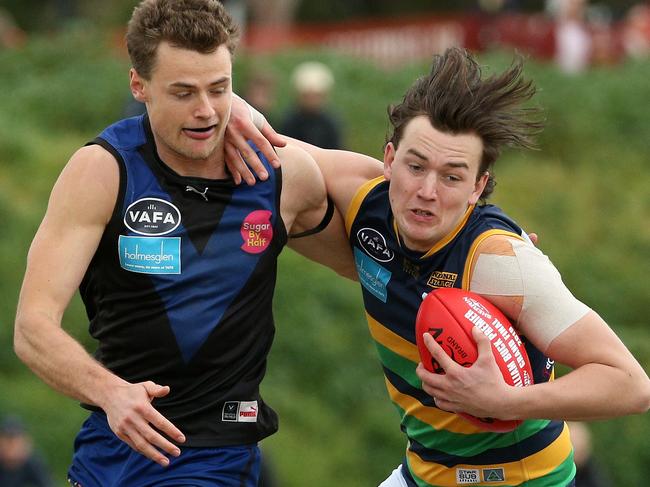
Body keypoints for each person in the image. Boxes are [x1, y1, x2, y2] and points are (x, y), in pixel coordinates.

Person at [230, 46, 650, 486]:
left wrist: (506, 400)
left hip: (519, 477)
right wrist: (224, 99)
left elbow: (630, 384)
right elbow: (268, 140)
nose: (427, 190)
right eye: (416, 166)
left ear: (478, 186)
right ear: (390, 160)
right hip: (426, 469)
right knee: (286, 171)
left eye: (452, 176)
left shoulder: (499, 263)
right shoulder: (363, 196)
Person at [13, 1, 352, 486]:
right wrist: (110, 393)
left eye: (219, 89)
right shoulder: (103, 171)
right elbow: (31, 329)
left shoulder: (279, 173)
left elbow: (373, 252)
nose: (206, 111)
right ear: (139, 86)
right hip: (110, 455)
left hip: (216, 457)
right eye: (183, 92)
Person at [280, 61, 343, 149]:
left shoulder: (330, 124)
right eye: (307, 96)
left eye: (316, 96)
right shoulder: (290, 122)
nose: (312, 100)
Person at [0, 415, 54, 487]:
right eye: (8, 441)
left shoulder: (32, 463)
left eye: (15, 441)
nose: (12, 446)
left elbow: (47, 483)